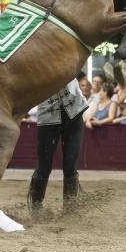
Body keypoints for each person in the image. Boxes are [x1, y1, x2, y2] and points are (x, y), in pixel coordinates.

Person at [28, 78, 88, 214]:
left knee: (70, 165)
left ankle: (70, 210)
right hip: (49, 112)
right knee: (44, 167)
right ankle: (36, 209)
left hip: (73, 111)